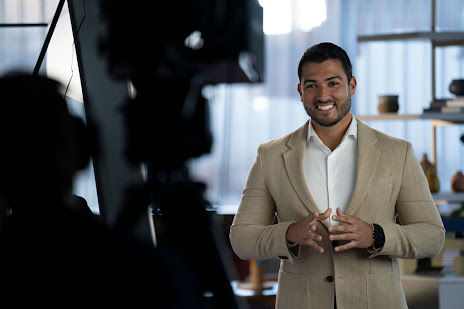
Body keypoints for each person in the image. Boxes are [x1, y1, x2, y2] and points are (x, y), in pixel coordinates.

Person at [229, 42, 445, 309]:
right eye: (312, 85)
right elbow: (242, 239)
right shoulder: (270, 156)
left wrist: (377, 236)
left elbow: (432, 236)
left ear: (351, 85)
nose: (323, 95)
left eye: (333, 83)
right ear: (300, 91)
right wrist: (289, 233)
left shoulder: (397, 153)